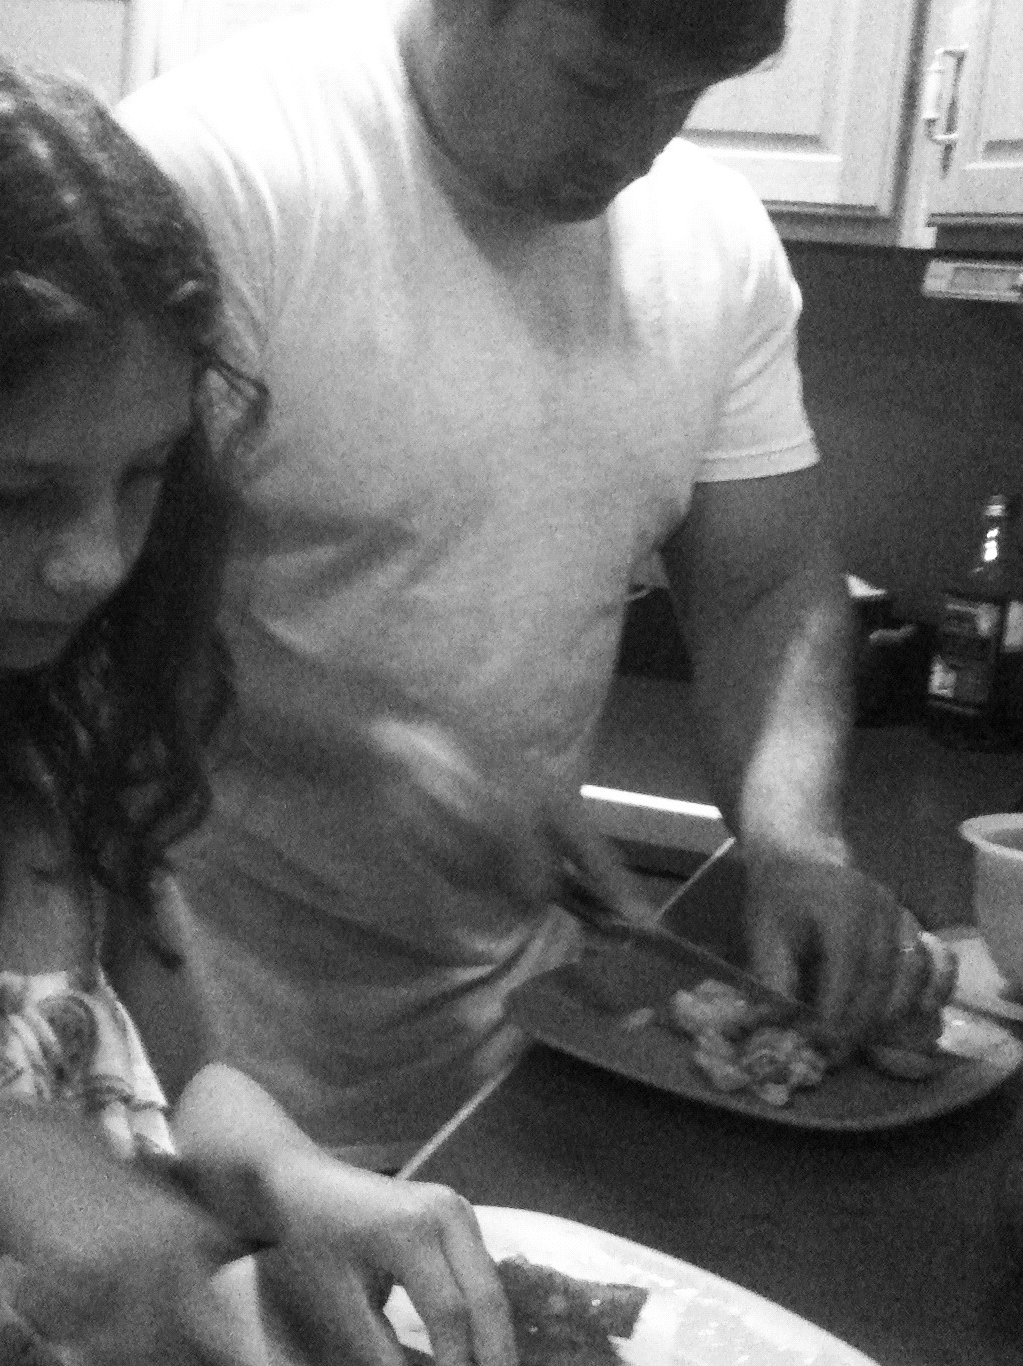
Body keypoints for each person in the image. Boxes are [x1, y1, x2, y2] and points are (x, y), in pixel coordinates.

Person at [0, 30, 515, 1366]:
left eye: (145, 473)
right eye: (14, 494)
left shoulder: (52, 696)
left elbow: (192, 1073)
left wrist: (288, 1181)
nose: (98, 561)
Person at [116, 0, 920, 1171]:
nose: (638, 148)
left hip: (509, 1042)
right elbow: (74, 611)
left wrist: (794, 840)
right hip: (195, 1044)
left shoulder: (712, 243)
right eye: (598, 84)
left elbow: (766, 586)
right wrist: (375, 744)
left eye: (685, 98)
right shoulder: (214, 175)